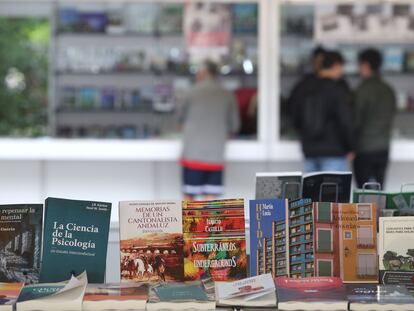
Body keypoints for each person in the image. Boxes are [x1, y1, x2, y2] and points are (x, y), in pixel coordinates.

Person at [178, 60, 240, 200]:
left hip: (192, 155)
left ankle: (189, 223)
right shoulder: (227, 94)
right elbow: (235, 126)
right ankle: (209, 223)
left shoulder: (191, 92)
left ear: (203, 73)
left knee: (189, 200)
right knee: (210, 201)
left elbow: (179, 121)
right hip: (216, 156)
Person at [290, 51, 354, 172]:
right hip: (334, 150)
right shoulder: (338, 90)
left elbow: (294, 115)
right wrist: (350, 147)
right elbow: (345, 121)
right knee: (333, 190)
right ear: (336, 66)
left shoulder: (304, 87)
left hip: (309, 149)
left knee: (311, 189)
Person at [353, 49, 396, 188]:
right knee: (380, 189)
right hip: (383, 146)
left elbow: (356, 120)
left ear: (365, 65)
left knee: (364, 192)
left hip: (364, 148)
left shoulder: (362, 90)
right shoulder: (388, 89)